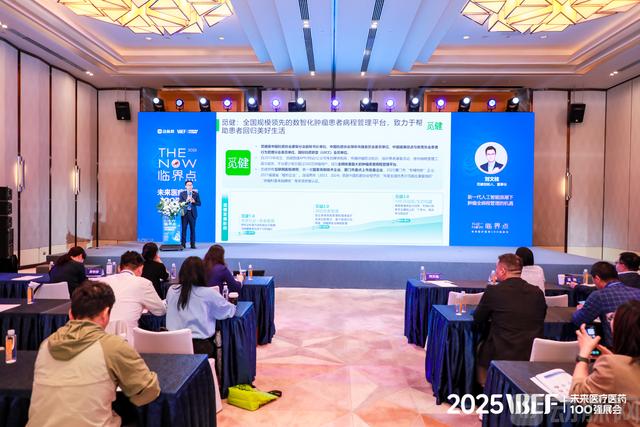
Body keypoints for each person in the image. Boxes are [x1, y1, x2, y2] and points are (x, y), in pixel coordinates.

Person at [27, 281, 160, 427]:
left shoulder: (46, 345)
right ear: (105, 314)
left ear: (70, 313)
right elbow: (147, 391)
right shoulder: (112, 346)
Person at [473, 253, 547, 385]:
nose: (496, 272)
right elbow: (541, 316)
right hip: (530, 356)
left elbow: (478, 318)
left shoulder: (494, 291)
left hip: (499, 355)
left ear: (502, 271)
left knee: (478, 349)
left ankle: (486, 388)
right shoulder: (537, 293)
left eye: (496, 269)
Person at [570, 300, 640, 427]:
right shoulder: (618, 365)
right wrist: (615, 359)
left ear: (621, 328)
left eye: (612, 318)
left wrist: (584, 354)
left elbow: (578, 397)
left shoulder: (611, 366)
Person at [166, 256, 236, 357]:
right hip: (199, 348)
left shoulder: (172, 290)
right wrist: (233, 304)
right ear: (203, 274)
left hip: (171, 346)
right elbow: (228, 311)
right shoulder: (209, 293)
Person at [100, 251, 166, 340]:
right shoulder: (143, 283)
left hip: (100, 339)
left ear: (119, 268)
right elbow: (160, 311)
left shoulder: (102, 281)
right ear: (140, 269)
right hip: (128, 341)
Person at [572, 261, 640, 348]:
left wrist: (580, 310)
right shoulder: (637, 292)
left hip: (615, 348)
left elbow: (580, 320)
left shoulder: (599, 295)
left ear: (597, 278)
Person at [179, 180, 201, 249]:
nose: (190, 186)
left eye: (191, 185)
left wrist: (194, 201)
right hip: (185, 214)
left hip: (192, 214)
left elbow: (199, 203)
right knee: (184, 229)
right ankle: (183, 244)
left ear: (192, 186)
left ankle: (192, 244)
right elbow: (180, 203)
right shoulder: (182, 193)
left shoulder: (195, 194)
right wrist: (186, 201)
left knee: (192, 229)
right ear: (185, 186)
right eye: (188, 185)